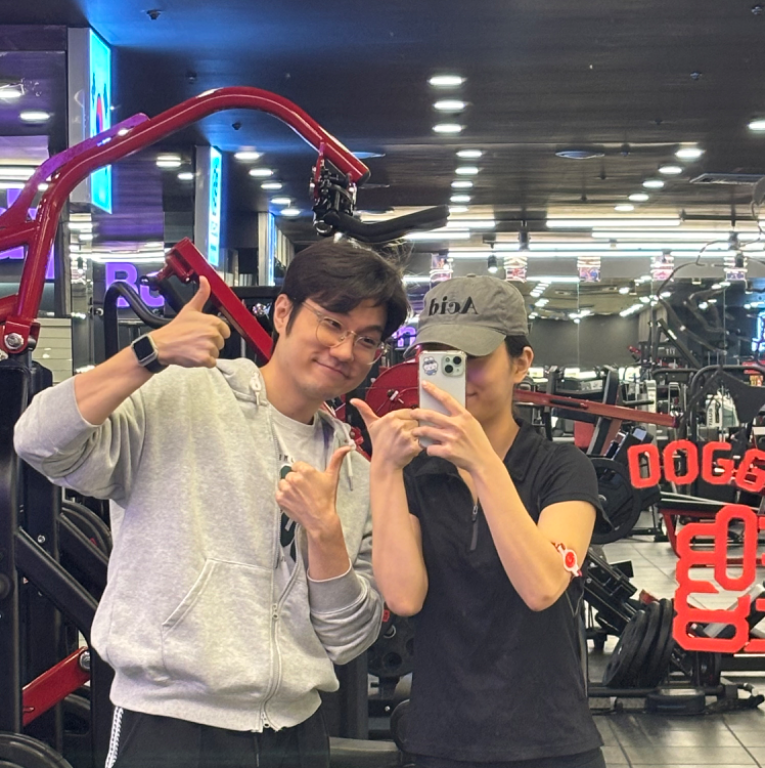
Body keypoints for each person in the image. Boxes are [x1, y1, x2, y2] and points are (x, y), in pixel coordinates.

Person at [14, 239, 409, 768]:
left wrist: (325, 536)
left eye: (367, 339)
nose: (344, 350)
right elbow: (38, 441)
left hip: (297, 732)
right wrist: (147, 353)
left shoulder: (354, 472)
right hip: (170, 722)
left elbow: (347, 639)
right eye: (332, 323)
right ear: (284, 313)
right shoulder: (180, 395)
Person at [353, 275, 605, 768]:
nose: (457, 377)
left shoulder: (561, 468)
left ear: (521, 363)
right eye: (440, 362)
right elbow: (404, 597)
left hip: (551, 741)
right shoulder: (416, 474)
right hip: (439, 740)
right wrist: (384, 470)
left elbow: (542, 586)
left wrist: (483, 463)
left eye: (473, 359)